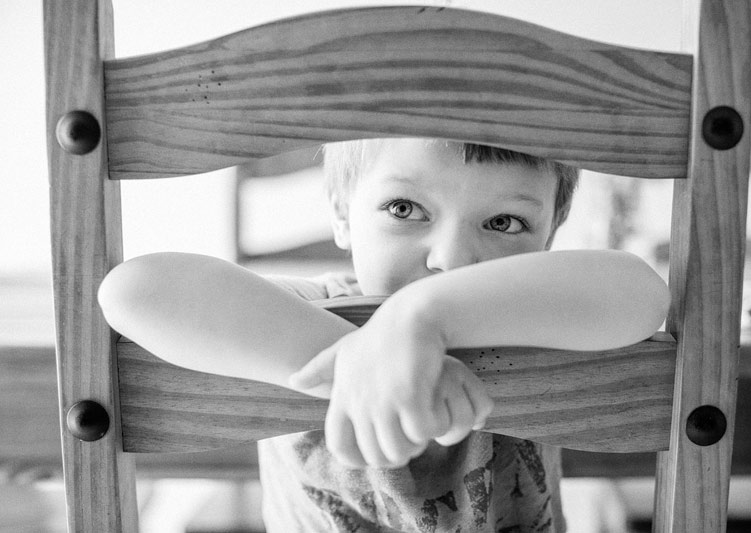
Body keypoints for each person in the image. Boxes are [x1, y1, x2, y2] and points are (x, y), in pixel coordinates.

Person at [99, 138, 670, 532]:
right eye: (404, 208)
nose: (451, 259)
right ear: (342, 213)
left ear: (550, 235)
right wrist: (357, 355)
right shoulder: (313, 310)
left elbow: (643, 295)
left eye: (504, 222)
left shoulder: (538, 315)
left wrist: (419, 315)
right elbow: (132, 291)